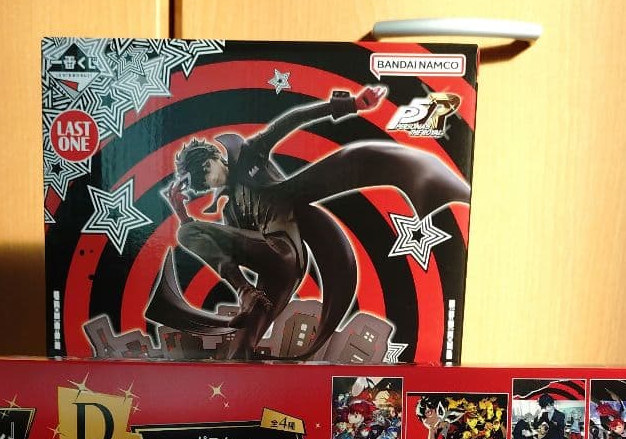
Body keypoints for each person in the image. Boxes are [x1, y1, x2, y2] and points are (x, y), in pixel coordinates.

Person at [148, 86, 472, 359]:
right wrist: (182, 214)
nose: (209, 184)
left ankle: (246, 293)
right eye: (202, 185)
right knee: (241, 345)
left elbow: (291, 120)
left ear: (216, 157)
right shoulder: (230, 210)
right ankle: (247, 305)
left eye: (206, 173)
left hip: (284, 251)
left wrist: (351, 104)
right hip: (274, 274)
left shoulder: (249, 155)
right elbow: (220, 248)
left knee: (191, 231)